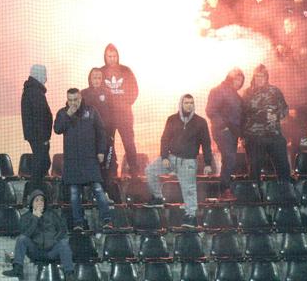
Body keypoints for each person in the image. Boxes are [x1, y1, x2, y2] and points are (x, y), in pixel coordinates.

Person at [145, 94, 213, 228]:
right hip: (171, 158)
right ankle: (158, 198)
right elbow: (164, 139)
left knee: (189, 190)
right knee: (150, 171)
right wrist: (164, 157)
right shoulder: (172, 119)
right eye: (186, 103)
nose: (189, 105)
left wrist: (208, 163)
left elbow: (206, 144)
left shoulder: (200, 122)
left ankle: (191, 217)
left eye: (191, 103)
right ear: (181, 104)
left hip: (188, 162)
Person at [54, 88, 113, 231]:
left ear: (81, 98)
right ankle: (78, 223)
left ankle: (107, 220)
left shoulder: (92, 112)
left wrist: (101, 151)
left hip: (90, 159)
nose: (73, 103)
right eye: (70, 100)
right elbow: (57, 129)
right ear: (67, 100)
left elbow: (101, 132)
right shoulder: (63, 113)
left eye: (76, 100)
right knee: (74, 194)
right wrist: (68, 115)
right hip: (72, 161)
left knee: (98, 189)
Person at [3, 189, 74, 280]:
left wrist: (54, 240)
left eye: (42, 200)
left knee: (64, 243)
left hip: (52, 251)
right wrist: (35, 218)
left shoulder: (52, 214)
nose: (40, 202)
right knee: (22, 239)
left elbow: (63, 231)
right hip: (35, 251)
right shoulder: (26, 217)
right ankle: (17, 269)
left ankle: (69, 274)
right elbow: (26, 234)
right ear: (32, 203)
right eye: (37, 200)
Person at [242, 64, 291, 181]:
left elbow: (285, 109)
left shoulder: (275, 91)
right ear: (254, 77)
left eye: (262, 76)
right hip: (254, 136)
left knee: (283, 168)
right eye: (257, 76)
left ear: (266, 77)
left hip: (274, 135)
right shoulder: (247, 93)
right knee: (254, 170)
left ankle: (284, 194)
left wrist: (277, 116)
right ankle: (256, 196)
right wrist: (243, 136)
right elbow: (242, 114)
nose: (259, 79)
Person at [99, 44, 139, 178]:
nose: (112, 59)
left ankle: (134, 171)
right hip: (107, 117)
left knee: (129, 142)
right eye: (109, 56)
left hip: (124, 115)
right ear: (105, 57)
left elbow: (134, 90)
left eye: (114, 56)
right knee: (108, 144)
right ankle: (110, 172)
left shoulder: (126, 70)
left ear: (118, 56)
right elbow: (95, 90)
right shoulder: (100, 72)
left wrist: (125, 103)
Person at [206, 68, 244, 199]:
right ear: (230, 78)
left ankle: (225, 188)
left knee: (229, 159)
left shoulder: (236, 95)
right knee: (230, 158)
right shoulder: (218, 90)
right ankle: (224, 189)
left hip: (233, 132)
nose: (239, 82)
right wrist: (223, 127)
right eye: (237, 79)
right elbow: (211, 110)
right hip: (223, 131)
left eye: (241, 80)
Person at [21, 64, 52, 195]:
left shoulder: (31, 90)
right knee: (41, 163)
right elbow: (40, 117)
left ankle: (37, 191)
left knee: (43, 162)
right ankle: (36, 191)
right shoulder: (35, 92)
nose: (46, 78)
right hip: (39, 136)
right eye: (44, 74)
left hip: (35, 135)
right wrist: (44, 138)